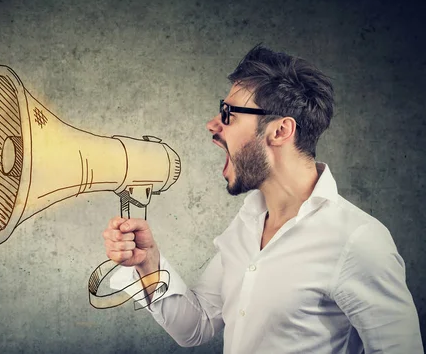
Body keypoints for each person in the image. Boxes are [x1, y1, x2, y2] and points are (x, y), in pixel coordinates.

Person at [102, 45, 423, 353]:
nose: (212, 126)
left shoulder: (358, 241)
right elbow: (195, 326)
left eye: (228, 114)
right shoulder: (245, 226)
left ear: (281, 131)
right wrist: (148, 263)